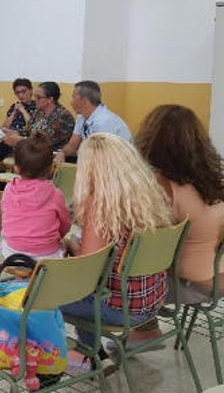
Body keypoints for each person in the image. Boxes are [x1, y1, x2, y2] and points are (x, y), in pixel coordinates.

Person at [61, 133, 172, 363]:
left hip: (120, 310)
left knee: (34, 293)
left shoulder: (100, 204)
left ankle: (86, 354)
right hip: (152, 301)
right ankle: (91, 352)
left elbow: (87, 270)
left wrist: (69, 242)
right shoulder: (147, 194)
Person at [121, 105, 224, 348]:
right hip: (218, 275)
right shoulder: (213, 177)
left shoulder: (165, 186)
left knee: (121, 268)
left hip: (192, 284)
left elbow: (146, 248)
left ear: (151, 140)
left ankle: (144, 331)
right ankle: (144, 329)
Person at [0, 134, 71, 259]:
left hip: (12, 253)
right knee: (67, 246)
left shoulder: (9, 189)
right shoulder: (56, 194)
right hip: (47, 255)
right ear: (50, 168)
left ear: (16, 167)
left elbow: (5, 218)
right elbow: (65, 225)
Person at [58, 80, 131, 162]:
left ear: (85, 101)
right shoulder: (81, 117)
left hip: (118, 165)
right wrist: (62, 153)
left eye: (73, 98)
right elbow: (72, 145)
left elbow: (103, 157)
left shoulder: (104, 122)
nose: (71, 102)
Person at [2, 81, 74, 152]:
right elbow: (29, 130)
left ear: (50, 99)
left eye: (38, 97)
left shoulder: (62, 116)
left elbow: (44, 141)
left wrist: (20, 140)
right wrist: (15, 132)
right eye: (35, 96)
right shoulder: (39, 112)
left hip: (52, 154)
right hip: (35, 151)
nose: (35, 100)